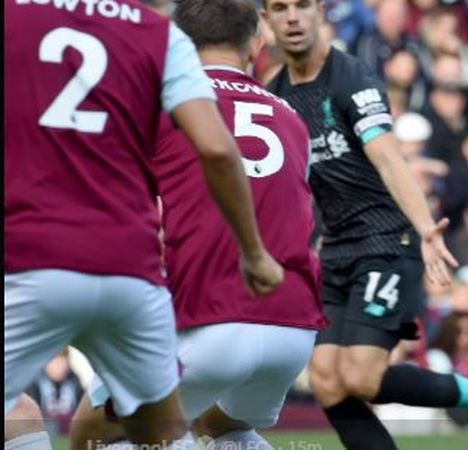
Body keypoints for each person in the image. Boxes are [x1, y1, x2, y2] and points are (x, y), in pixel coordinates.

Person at [4, 1, 283, 450]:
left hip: (31, 256)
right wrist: (253, 252)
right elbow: (216, 149)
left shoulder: (14, 18)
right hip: (130, 271)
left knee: (20, 416)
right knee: (162, 433)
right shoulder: (160, 33)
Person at [262, 1, 468, 449]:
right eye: (279, 8)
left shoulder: (352, 78)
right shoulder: (275, 95)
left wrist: (426, 227)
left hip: (387, 239)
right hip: (335, 249)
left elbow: (389, 158)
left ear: (320, 14)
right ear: (266, 22)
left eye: (303, 5)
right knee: (328, 382)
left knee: (362, 378)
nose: (292, 17)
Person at [64, 2, 326, 450]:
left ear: (177, 44)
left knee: (93, 433)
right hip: (293, 327)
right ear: (257, 45)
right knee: (221, 425)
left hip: (210, 316)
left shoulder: (162, 102)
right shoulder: (291, 118)